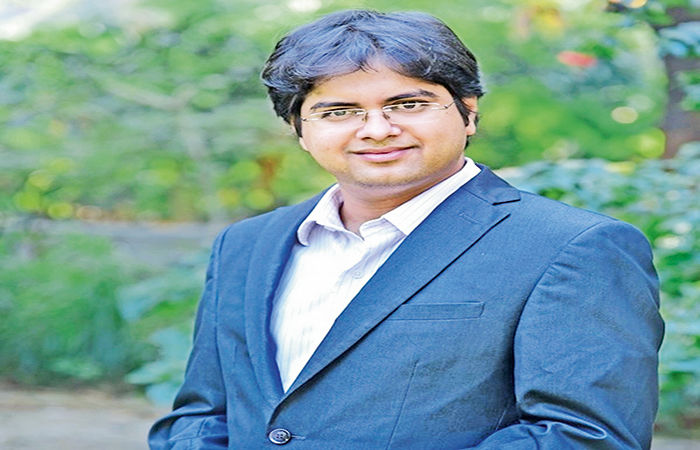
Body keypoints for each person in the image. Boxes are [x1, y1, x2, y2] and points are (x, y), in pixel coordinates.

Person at [149, 9, 664, 449]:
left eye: (408, 104)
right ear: (299, 129)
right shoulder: (246, 244)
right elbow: (202, 414)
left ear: (468, 112)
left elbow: (583, 436)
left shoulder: (572, 246)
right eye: (339, 111)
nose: (377, 130)